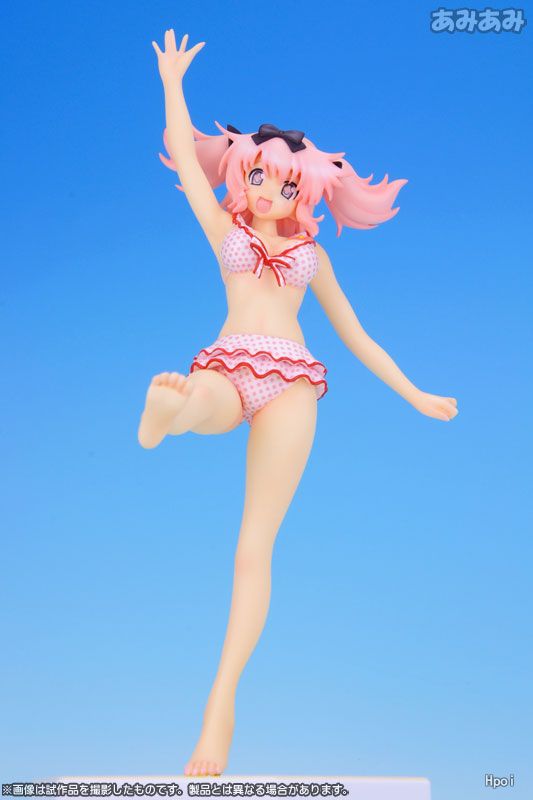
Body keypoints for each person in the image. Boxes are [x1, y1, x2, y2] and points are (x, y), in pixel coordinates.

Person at [138, 29, 459, 777]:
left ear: (305, 192)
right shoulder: (223, 230)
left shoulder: (312, 258)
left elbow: (356, 336)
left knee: (253, 548)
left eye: (286, 186)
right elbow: (184, 153)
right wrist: (173, 85)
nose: (270, 192)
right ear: (242, 174)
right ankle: (167, 418)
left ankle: (220, 706)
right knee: (205, 397)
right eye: (259, 177)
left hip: (292, 385)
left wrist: (414, 393)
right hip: (228, 362)